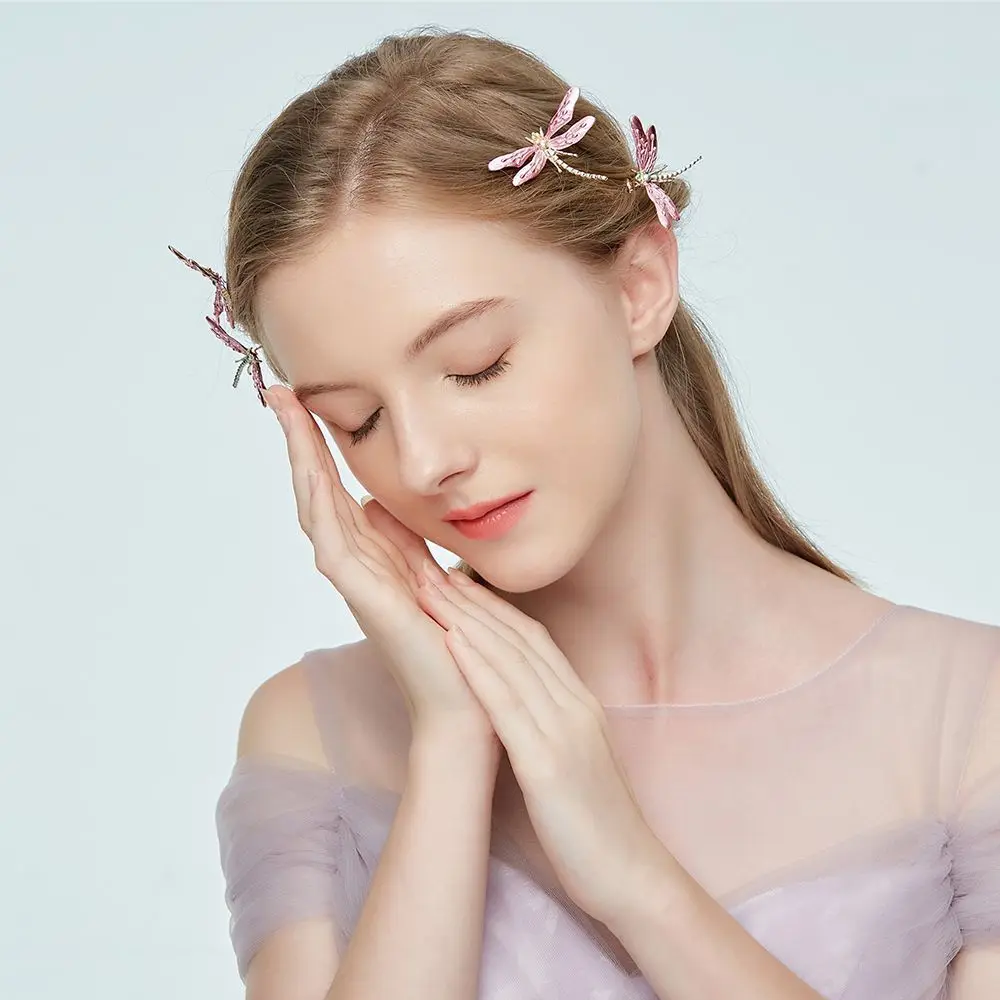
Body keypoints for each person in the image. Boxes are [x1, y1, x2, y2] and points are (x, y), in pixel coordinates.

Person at [186, 28, 1000, 1000]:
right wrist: (450, 747)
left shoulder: (964, 718)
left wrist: (635, 882)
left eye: (476, 363)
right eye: (354, 421)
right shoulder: (312, 731)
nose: (424, 460)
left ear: (637, 287)